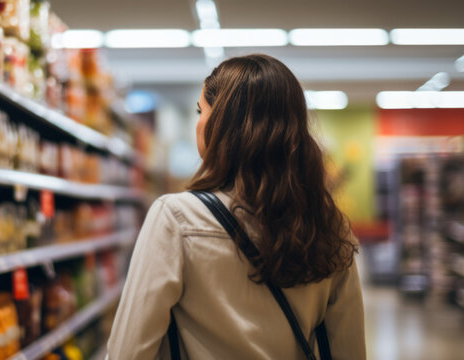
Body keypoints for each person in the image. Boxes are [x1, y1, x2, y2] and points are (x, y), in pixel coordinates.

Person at [106, 54, 366, 359]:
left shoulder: (176, 219)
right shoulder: (327, 225)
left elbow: (128, 352)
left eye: (201, 111)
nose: (198, 123)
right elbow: (349, 349)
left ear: (221, 125)